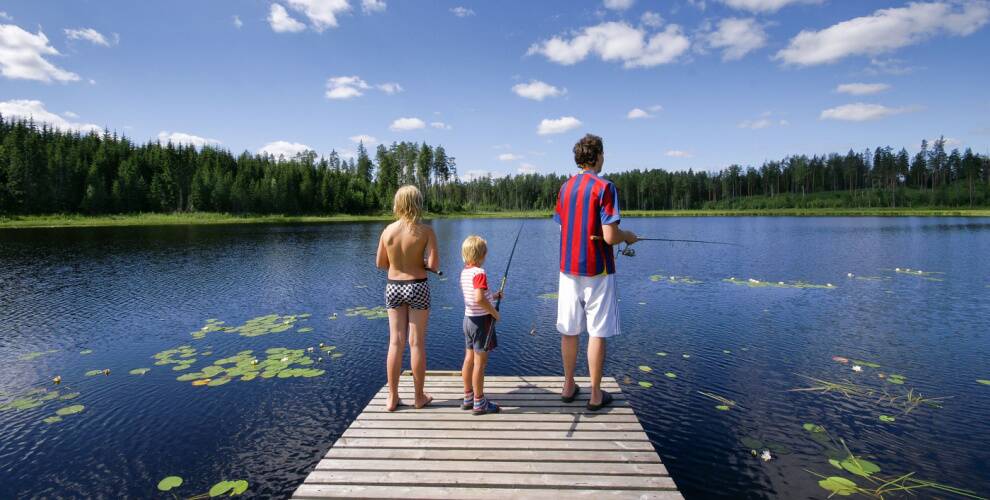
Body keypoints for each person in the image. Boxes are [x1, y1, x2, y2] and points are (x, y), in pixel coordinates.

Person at [553, 133, 637, 411]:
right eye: (603, 154)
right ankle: (595, 395)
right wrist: (628, 236)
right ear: (597, 155)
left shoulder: (565, 188)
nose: (604, 158)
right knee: (597, 332)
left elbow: (564, 225)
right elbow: (610, 236)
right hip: (598, 270)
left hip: (568, 269)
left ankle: (568, 386)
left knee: (569, 329)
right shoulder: (605, 187)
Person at [376, 185, 438, 411]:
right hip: (417, 286)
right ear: (417, 203)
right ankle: (419, 397)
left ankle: (392, 397)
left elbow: (380, 263)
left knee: (395, 341)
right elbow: (433, 265)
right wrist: (419, 263)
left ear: (398, 204)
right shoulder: (426, 231)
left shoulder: (387, 231)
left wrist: (399, 262)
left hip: (393, 287)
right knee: (416, 343)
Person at [458, 235, 503, 415]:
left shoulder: (465, 272)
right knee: (480, 364)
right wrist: (494, 313)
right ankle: (479, 402)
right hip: (480, 323)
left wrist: (494, 296)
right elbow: (478, 298)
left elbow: (476, 296)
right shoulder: (479, 273)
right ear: (482, 255)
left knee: (469, 359)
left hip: (468, 320)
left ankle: (468, 397)